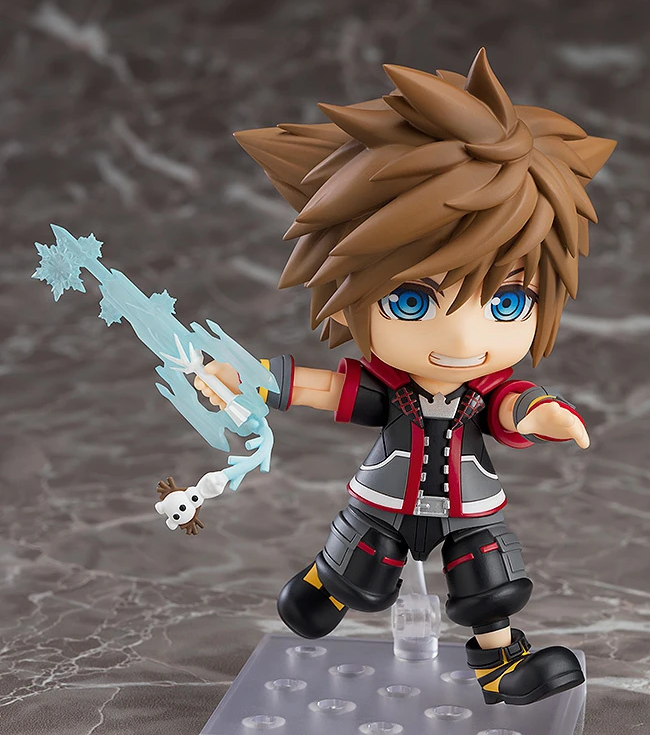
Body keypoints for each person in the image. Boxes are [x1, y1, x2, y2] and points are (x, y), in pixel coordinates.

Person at [196, 48, 615, 706]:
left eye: (508, 302)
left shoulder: (482, 391)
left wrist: (542, 413)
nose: (463, 340)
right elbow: (325, 388)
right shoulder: (389, 389)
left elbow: (510, 404)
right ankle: (327, 582)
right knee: (360, 573)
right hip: (384, 503)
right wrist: (251, 378)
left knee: (490, 585)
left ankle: (502, 668)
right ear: (351, 296)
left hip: (469, 509)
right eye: (413, 301)